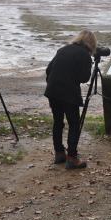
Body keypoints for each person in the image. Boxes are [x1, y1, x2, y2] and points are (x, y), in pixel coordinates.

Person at [45, 30, 96, 169]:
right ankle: (72, 158)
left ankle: (59, 153)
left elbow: (48, 69)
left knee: (58, 122)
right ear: (91, 44)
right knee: (74, 124)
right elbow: (84, 78)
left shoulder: (63, 49)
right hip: (68, 93)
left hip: (53, 90)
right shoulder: (84, 54)